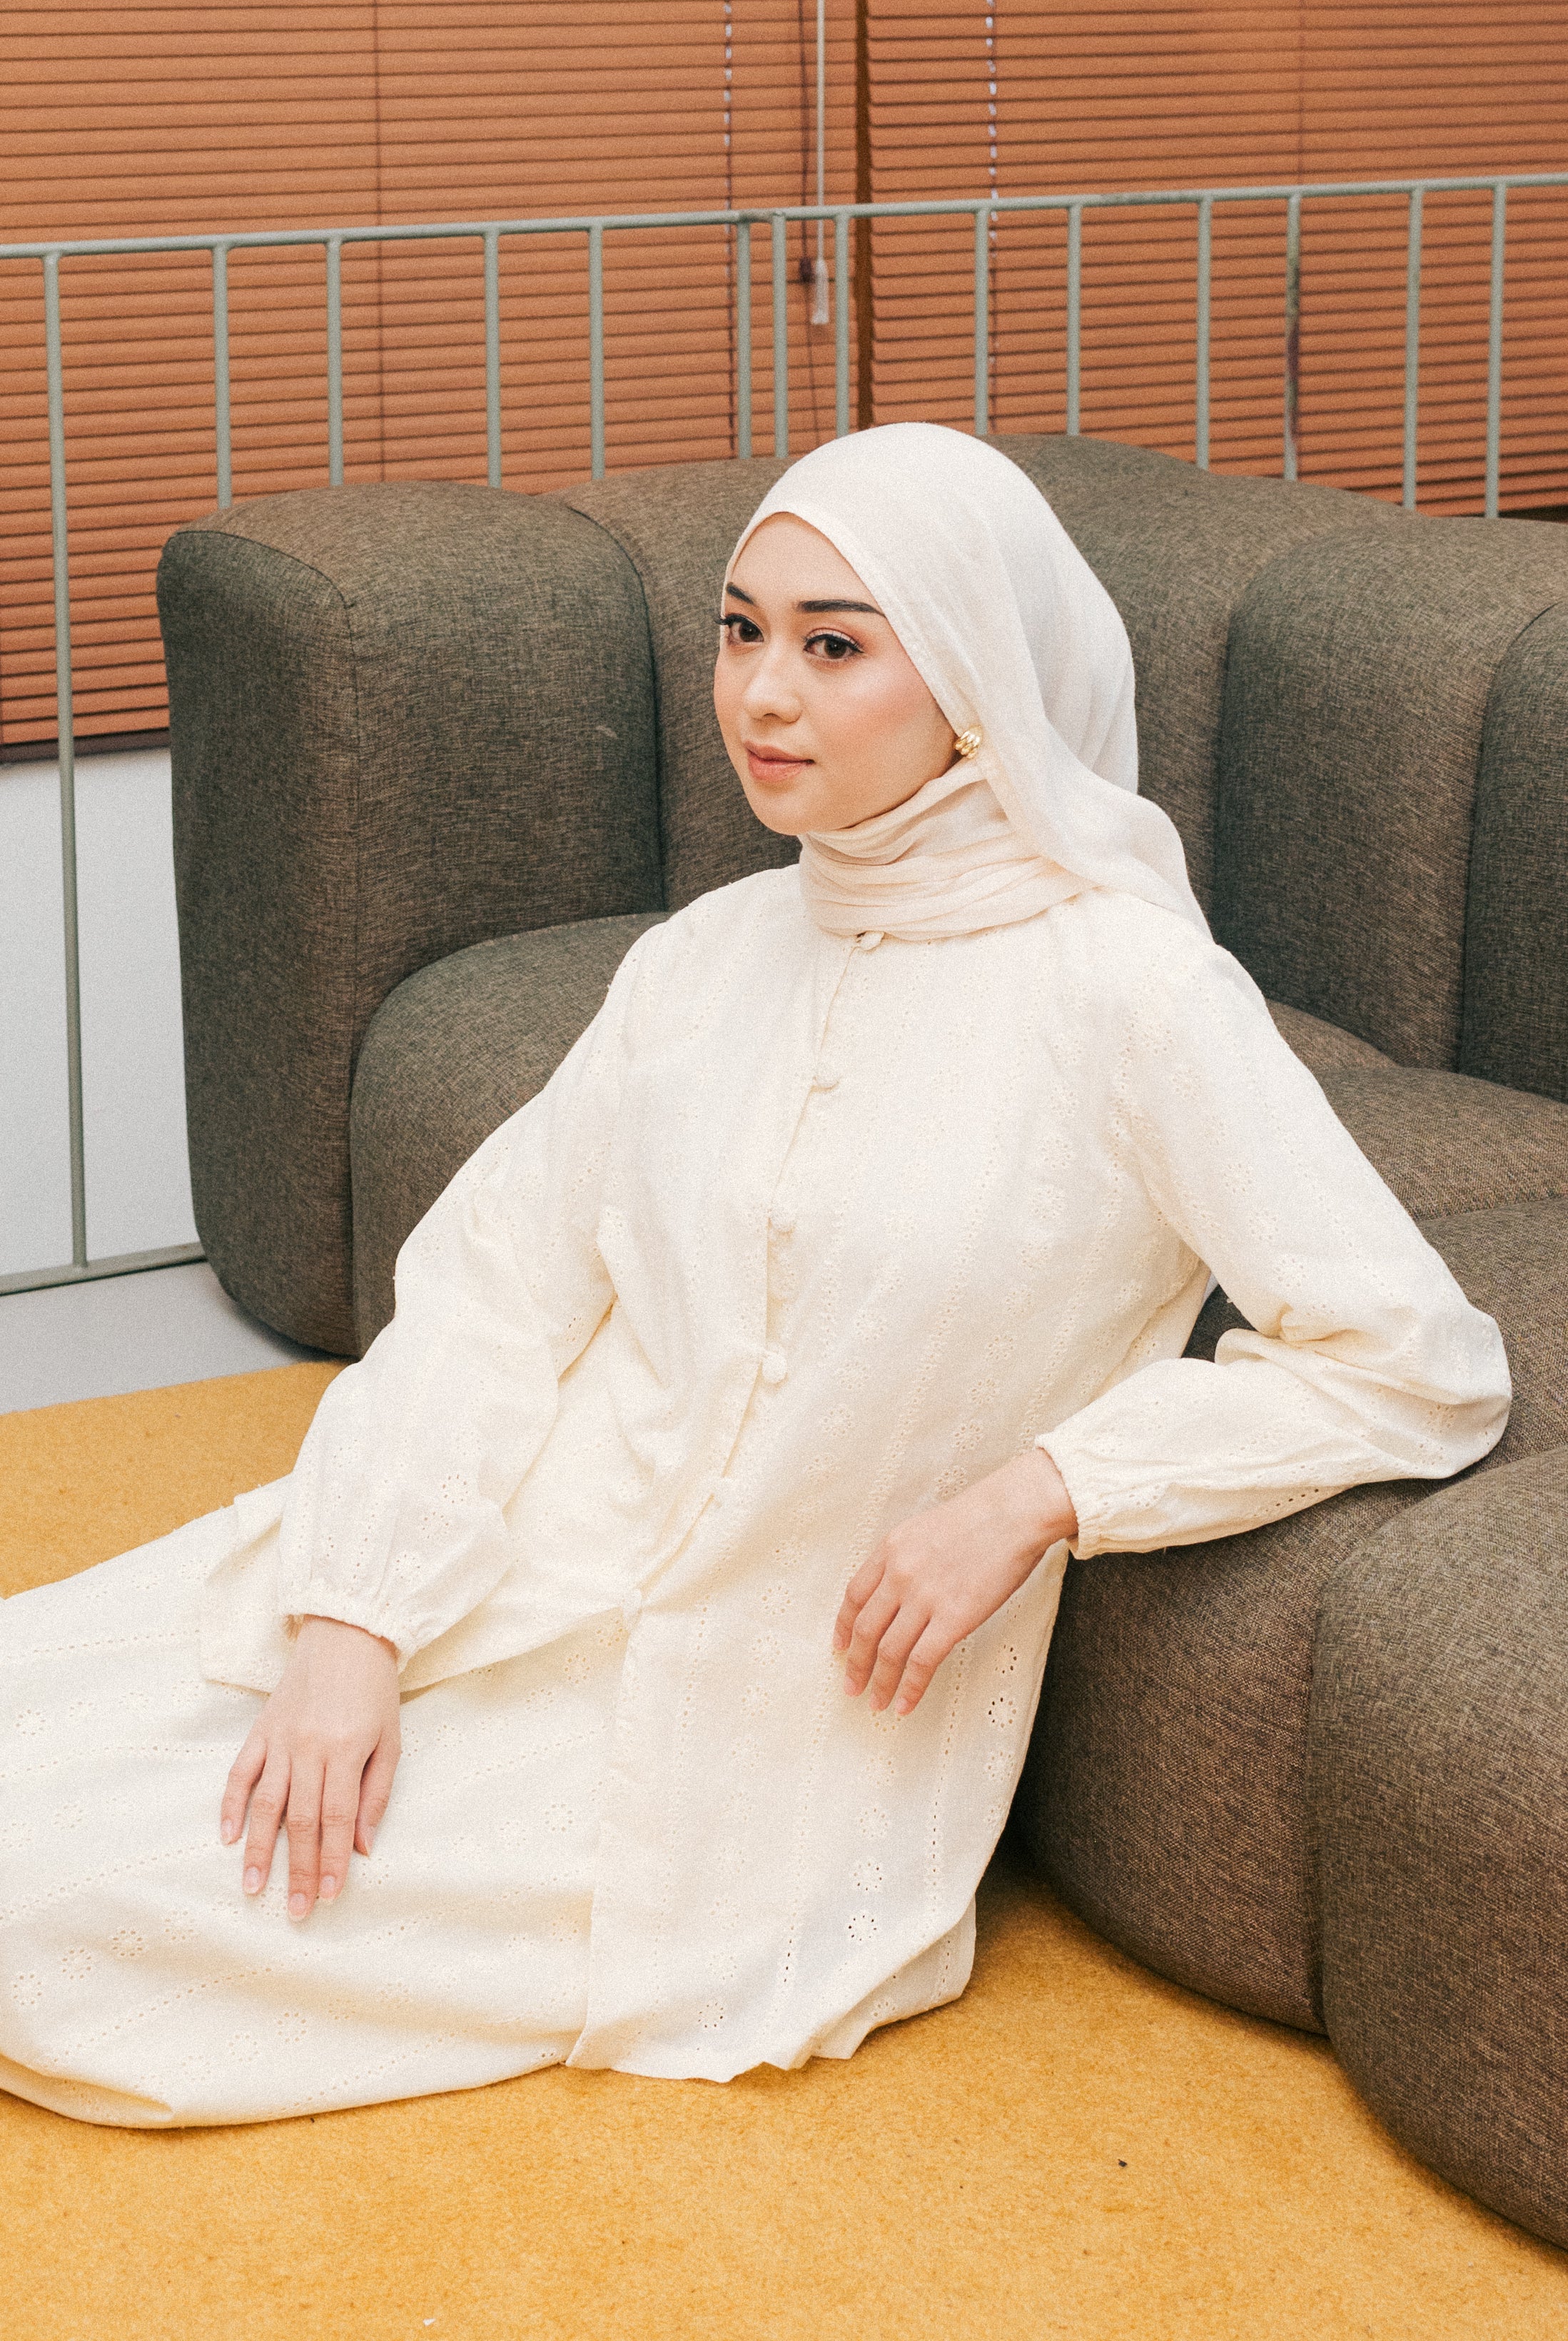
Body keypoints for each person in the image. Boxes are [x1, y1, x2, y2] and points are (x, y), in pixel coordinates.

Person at [0, 424, 1508, 2128]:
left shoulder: (1136, 998)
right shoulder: (705, 958)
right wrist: (355, 1616)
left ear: (976, 682)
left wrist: (1041, 1489)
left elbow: (1411, 1358)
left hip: (744, 1757)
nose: (761, 694)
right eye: (739, 630)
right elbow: (497, 1292)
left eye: (834, 641)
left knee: (51, 1917)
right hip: (494, 1556)